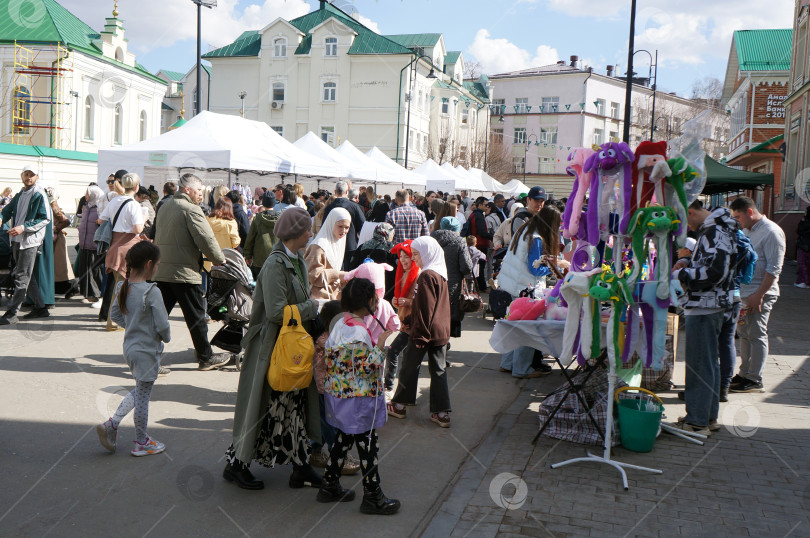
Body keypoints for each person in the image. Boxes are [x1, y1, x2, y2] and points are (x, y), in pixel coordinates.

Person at [223, 207, 324, 491]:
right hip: (271, 348)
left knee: (292, 408)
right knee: (263, 408)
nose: (311, 232)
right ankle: (236, 465)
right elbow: (276, 312)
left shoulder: (294, 260)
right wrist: (311, 307)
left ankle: (300, 467)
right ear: (295, 233)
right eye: (307, 229)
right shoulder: (275, 265)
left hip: (288, 346)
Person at [318, 278, 400, 514]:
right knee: (368, 445)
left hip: (341, 396)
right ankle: (373, 496)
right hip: (358, 399)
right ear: (367, 301)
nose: (377, 301)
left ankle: (329, 485)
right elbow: (364, 367)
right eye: (374, 297)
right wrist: (382, 345)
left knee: (343, 439)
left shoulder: (342, 323)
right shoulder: (357, 332)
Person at [96, 242, 170, 456]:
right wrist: (166, 337)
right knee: (143, 397)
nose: (157, 267)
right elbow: (163, 325)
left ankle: (113, 425)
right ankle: (140, 441)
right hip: (147, 351)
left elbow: (117, 316)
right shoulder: (151, 291)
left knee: (140, 390)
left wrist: (134, 327)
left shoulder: (123, 286)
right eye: (157, 264)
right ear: (149, 264)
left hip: (130, 348)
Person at [671, 200, 738, 434]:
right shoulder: (717, 229)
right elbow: (711, 263)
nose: (687, 226)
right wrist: (688, 261)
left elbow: (715, 271)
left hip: (705, 306)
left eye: (686, 220)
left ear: (690, 211)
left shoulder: (714, 231)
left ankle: (697, 421)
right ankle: (707, 417)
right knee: (708, 362)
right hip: (711, 305)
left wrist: (682, 273)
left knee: (700, 363)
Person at [154, 173, 229, 371]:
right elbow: (206, 238)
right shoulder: (191, 210)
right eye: (198, 191)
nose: (200, 195)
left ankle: (147, 357)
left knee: (157, 319)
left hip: (163, 272)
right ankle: (205, 357)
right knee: (196, 318)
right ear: (187, 189)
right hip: (185, 272)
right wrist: (219, 259)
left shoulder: (164, 207)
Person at [387, 236, 452, 428]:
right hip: (440, 331)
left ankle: (399, 405)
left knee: (409, 365)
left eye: (416, 254)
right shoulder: (441, 273)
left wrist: (419, 335)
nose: (414, 258)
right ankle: (441, 413)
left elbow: (425, 308)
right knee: (439, 370)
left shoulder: (426, 275)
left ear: (427, 253)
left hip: (423, 330)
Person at [498, 206, 565, 379]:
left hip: (515, 285)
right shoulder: (536, 238)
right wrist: (554, 268)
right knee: (527, 329)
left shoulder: (526, 229)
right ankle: (521, 369)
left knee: (515, 326)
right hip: (525, 288)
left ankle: (507, 364)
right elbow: (534, 269)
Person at [729, 196, 786, 393]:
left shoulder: (771, 232)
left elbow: (774, 268)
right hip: (745, 292)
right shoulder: (746, 230)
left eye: (738, 217)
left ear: (749, 212)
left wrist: (759, 294)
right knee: (744, 334)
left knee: (757, 334)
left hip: (760, 293)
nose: (737, 221)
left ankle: (754, 378)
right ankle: (744, 373)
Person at [310, 300, 361, 475]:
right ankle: (338, 456)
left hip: (329, 389)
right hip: (326, 389)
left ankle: (314, 451)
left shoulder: (330, 338)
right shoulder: (328, 341)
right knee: (331, 425)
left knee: (324, 423)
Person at [0, 167, 52, 325]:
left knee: (22, 276)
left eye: (32, 175)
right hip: (17, 240)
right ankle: (40, 307)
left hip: (30, 241)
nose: (28, 177)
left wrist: (23, 227)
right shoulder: (20, 193)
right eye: (26, 174)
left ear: (37, 176)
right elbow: (7, 210)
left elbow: (45, 218)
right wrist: (1, 217)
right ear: (21, 175)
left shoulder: (39, 193)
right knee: (26, 276)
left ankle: (12, 312)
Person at [99, 173, 147, 332]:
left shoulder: (114, 200)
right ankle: (113, 322)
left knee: (120, 286)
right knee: (124, 287)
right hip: (128, 247)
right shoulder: (133, 204)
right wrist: (144, 218)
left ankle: (115, 321)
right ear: (137, 187)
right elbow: (138, 229)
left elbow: (101, 220)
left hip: (114, 247)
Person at [385, 241, 419, 397]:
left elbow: (424, 302)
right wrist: (396, 302)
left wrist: (408, 302)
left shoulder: (419, 275)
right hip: (405, 322)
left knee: (393, 353)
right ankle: (399, 392)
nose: (403, 260)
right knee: (406, 359)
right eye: (401, 257)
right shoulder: (403, 273)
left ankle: (389, 388)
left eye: (407, 256)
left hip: (413, 324)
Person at [431, 216, 473, 338]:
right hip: (452, 284)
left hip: (432, 280)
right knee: (448, 312)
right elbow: (466, 267)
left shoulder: (432, 238)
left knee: (433, 309)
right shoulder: (460, 241)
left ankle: (433, 338)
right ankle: (443, 341)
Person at [305, 208, 351, 301]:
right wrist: (338, 274)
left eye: (347, 227)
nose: (344, 230)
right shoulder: (318, 246)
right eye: (340, 226)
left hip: (332, 299)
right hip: (319, 300)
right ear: (331, 223)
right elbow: (312, 276)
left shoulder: (338, 242)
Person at [323, 181, 366, 267]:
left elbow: (324, 227)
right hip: (350, 245)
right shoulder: (354, 207)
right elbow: (363, 226)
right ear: (347, 192)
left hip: (333, 244)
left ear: (335, 192)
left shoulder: (329, 207)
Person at [76, 185, 105, 305]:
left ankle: (95, 294)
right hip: (84, 243)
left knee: (93, 271)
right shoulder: (87, 207)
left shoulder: (100, 208)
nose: (85, 196)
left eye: (87, 193)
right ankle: (88, 294)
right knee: (85, 270)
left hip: (93, 245)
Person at [244, 191, 280, 279]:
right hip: (277, 258)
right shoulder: (281, 219)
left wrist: (248, 256)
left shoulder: (257, 219)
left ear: (263, 203)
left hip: (259, 259)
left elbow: (250, 238)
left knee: (260, 287)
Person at [205, 196, 241, 271]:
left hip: (208, 260)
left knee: (206, 281)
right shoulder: (231, 223)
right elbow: (235, 243)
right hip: (224, 260)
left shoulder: (207, 219)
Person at [796, 206, 810, 288]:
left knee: (802, 263)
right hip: (806, 245)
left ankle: (804, 281)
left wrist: (802, 222)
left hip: (804, 245)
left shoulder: (805, 221)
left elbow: (799, 230)